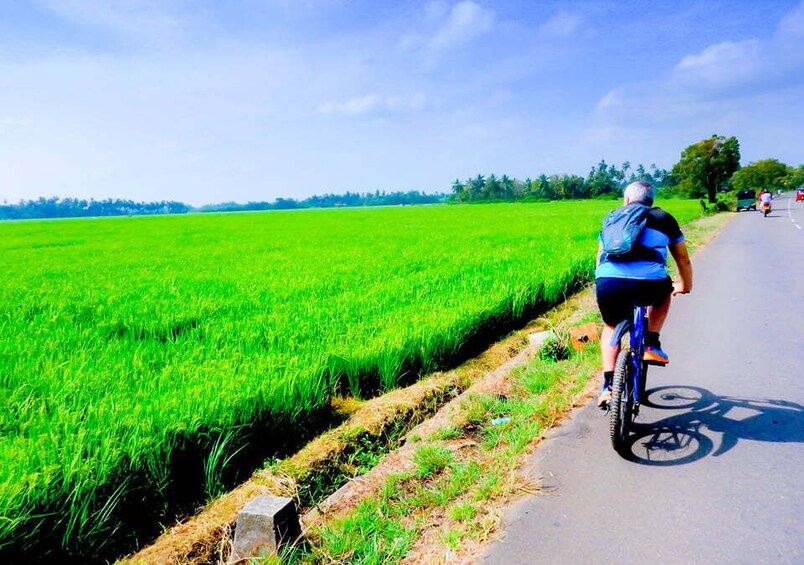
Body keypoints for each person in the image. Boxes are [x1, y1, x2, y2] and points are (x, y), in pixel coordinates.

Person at [595, 180, 693, 408]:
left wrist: (600, 281)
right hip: (650, 284)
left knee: (610, 327)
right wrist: (685, 285)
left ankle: (608, 387)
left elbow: (600, 255)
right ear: (651, 201)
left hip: (608, 281)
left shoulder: (612, 217)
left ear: (626, 200)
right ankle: (650, 343)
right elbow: (683, 258)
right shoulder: (663, 218)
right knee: (665, 291)